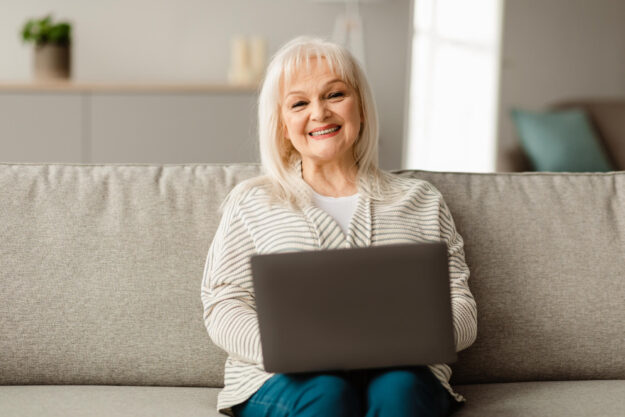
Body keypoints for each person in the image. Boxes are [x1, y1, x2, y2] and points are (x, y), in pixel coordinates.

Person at [201, 35, 477, 417]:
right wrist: (292, 350)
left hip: (405, 372)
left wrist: (402, 343)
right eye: (299, 103)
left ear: (360, 107)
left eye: (334, 95)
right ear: (283, 125)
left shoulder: (421, 200)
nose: (319, 113)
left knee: (399, 389)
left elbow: (460, 305)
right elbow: (223, 305)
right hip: (286, 379)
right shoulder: (251, 202)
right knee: (327, 392)